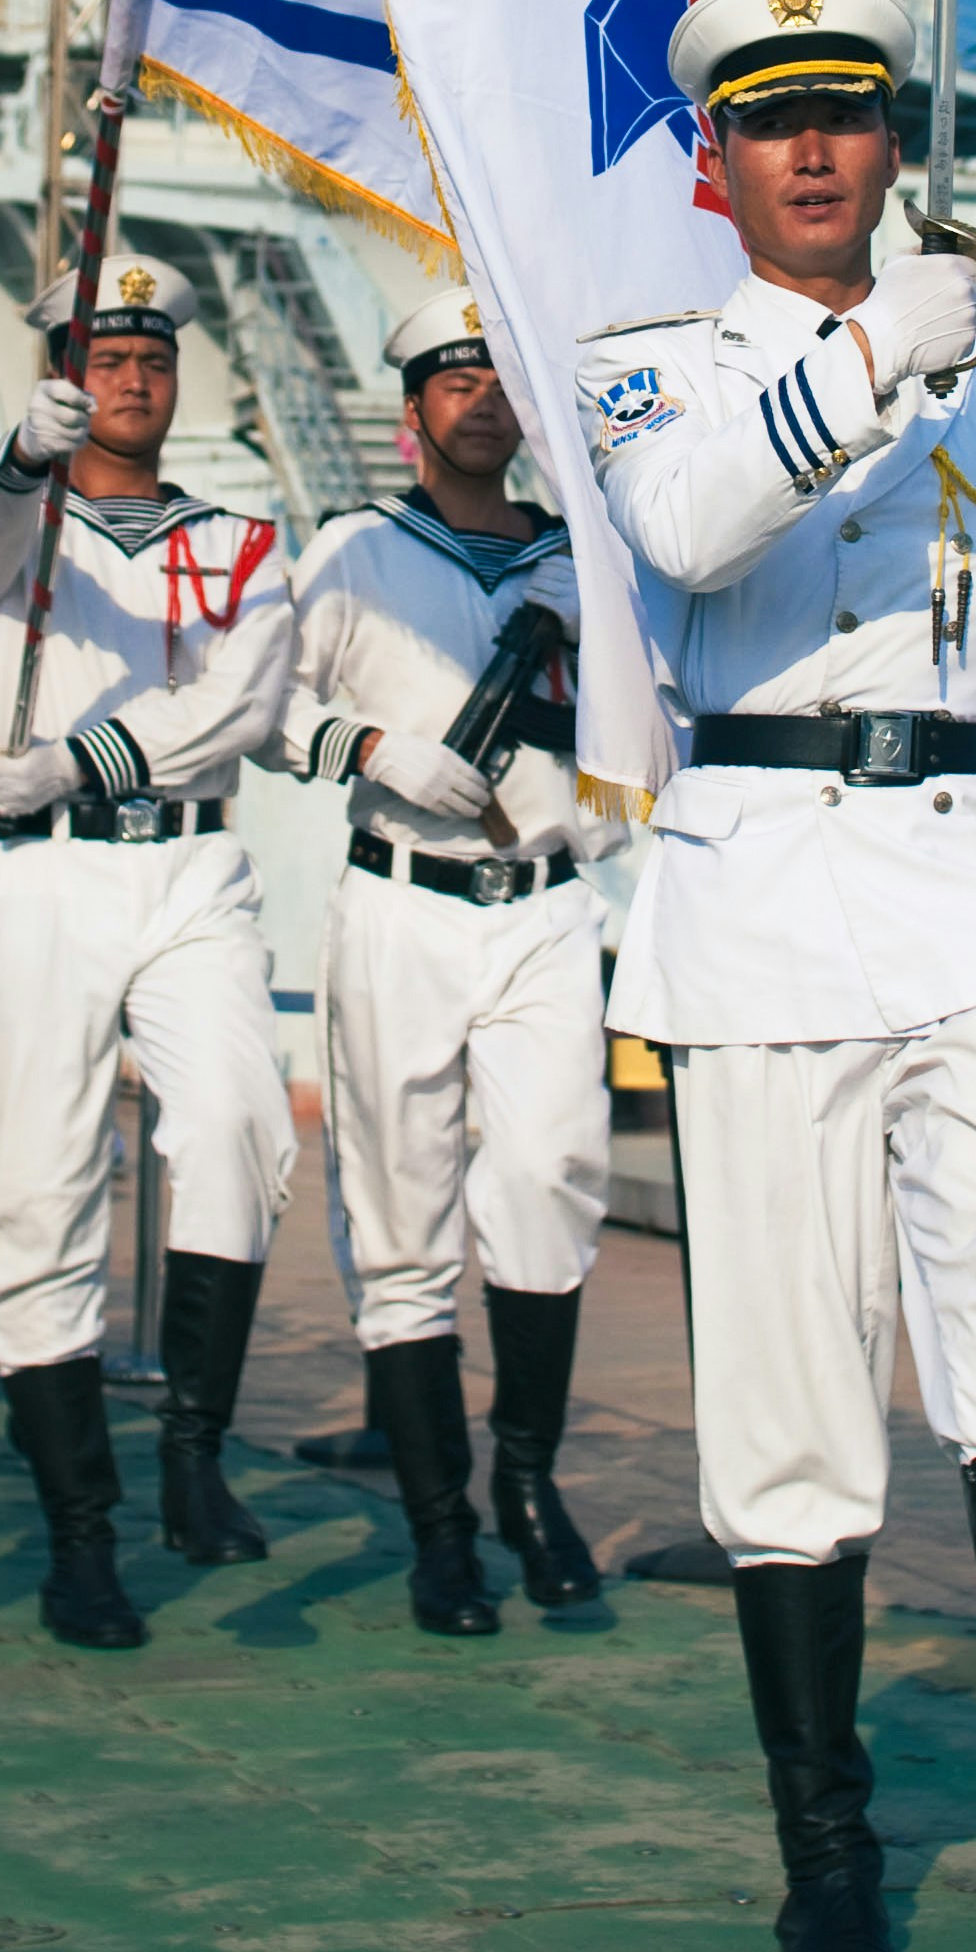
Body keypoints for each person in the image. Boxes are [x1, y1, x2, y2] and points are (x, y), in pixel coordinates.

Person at [579, 0, 976, 1952]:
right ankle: (829, 1871)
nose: (817, 146)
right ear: (718, 162)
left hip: (964, 893)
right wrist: (863, 363)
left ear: (889, 133)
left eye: (847, 108)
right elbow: (682, 530)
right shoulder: (656, 371)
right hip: (755, 912)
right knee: (790, 1403)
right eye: (773, 118)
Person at [0, 254, 295, 1649]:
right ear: (63, 376)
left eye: (152, 359)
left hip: (186, 864)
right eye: (106, 357)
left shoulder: (240, 540)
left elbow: (242, 699)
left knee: (240, 1128)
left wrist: (84, 754)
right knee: (41, 1195)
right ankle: (79, 1535)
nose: (133, 379)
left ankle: (192, 1449)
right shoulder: (7, 523)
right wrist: (15, 464)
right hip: (40, 885)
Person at [267, 286, 606, 1637]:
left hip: (544, 904)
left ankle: (527, 1483)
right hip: (404, 902)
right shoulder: (356, 553)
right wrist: (366, 749)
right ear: (411, 414)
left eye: (498, 375)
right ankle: (438, 1528)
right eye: (451, 379)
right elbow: (263, 703)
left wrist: (607, 628)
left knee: (550, 1180)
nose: (479, 397)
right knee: (401, 1220)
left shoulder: (578, 559)